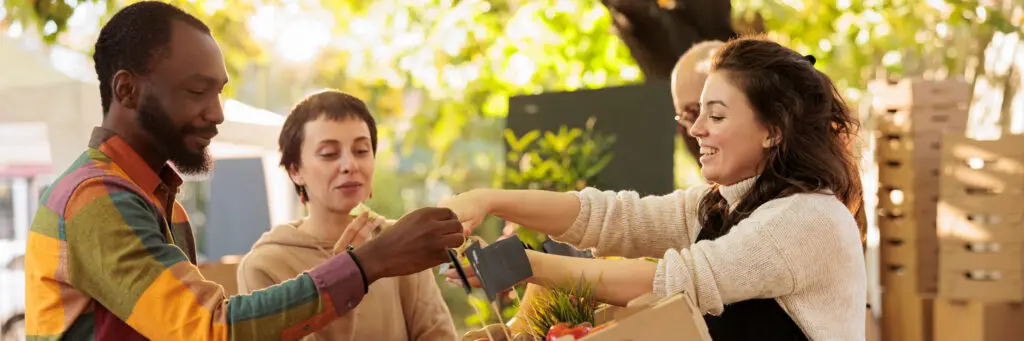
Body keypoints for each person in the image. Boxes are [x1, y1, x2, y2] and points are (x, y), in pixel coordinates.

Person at [23, 2, 463, 340]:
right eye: (197, 91)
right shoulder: (94, 196)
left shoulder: (163, 203)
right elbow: (211, 328)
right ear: (128, 90)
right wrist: (370, 263)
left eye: (219, 94)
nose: (216, 114)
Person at [442, 35, 866, 340]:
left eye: (715, 116)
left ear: (773, 130)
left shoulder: (810, 218)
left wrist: (519, 264)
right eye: (695, 115)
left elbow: (671, 281)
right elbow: (613, 218)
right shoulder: (720, 205)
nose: (697, 129)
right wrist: (490, 200)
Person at [235, 90, 457, 340]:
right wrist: (342, 280)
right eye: (329, 154)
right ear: (295, 170)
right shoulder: (266, 265)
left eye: (361, 150)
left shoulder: (402, 242)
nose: (350, 165)